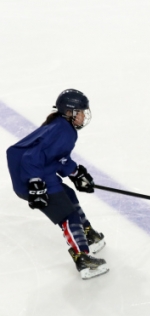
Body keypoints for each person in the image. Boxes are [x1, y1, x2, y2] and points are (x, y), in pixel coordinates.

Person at [6, 89, 108, 280]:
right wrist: (35, 185)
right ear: (70, 112)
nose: (84, 116)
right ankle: (82, 257)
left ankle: (87, 233)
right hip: (31, 178)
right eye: (81, 111)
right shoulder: (63, 130)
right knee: (66, 214)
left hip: (39, 173)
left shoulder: (62, 127)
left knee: (68, 195)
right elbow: (30, 157)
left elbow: (55, 158)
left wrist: (76, 173)